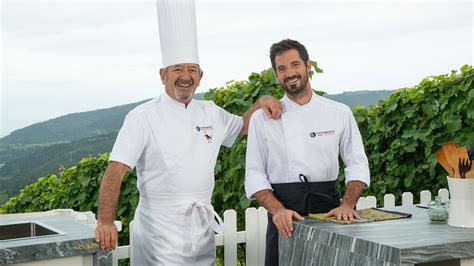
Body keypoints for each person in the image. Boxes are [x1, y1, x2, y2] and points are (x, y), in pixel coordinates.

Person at [94, 0, 282, 265]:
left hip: (201, 228)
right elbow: (115, 170)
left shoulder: (211, 112)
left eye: (192, 69)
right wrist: (105, 221)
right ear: (163, 75)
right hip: (159, 231)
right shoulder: (142, 118)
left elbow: (243, 126)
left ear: (200, 76)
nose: (186, 76)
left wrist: (261, 101)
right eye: (177, 69)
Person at [244, 39, 370, 266]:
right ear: (276, 75)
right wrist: (278, 211)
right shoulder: (261, 119)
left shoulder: (339, 112)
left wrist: (347, 204)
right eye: (282, 68)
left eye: (295, 65)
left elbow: (357, 163)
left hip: (329, 213)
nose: (289, 73)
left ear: (308, 65)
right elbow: (254, 174)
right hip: (284, 216)